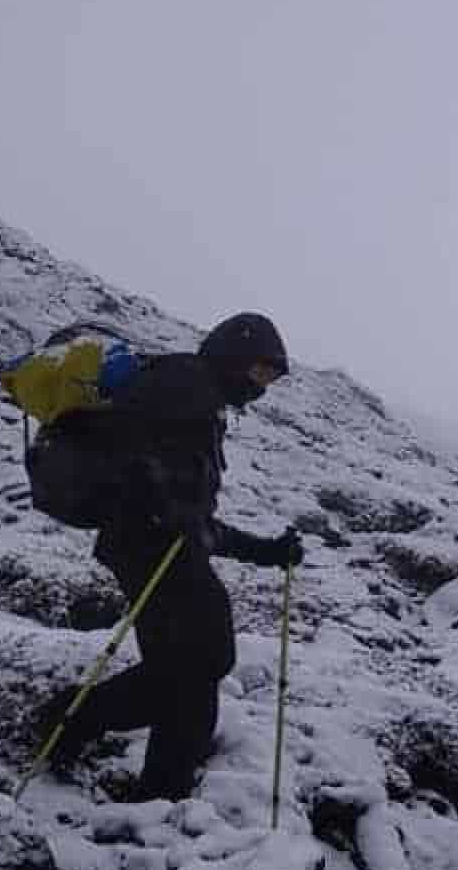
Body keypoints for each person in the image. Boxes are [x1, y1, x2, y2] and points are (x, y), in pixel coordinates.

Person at [36, 312, 305, 802]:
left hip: (155, 544)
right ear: (235, 356)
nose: (262, 386)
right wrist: (155, 494)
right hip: (148, 545)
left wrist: (264, 551)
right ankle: (87, 740)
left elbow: (194, 515)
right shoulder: (185, 382)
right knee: (203, 660)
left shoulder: (202, 398)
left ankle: (146, 784)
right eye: (260, 372)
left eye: (270, 377)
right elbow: (133, 450)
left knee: (187, 672)